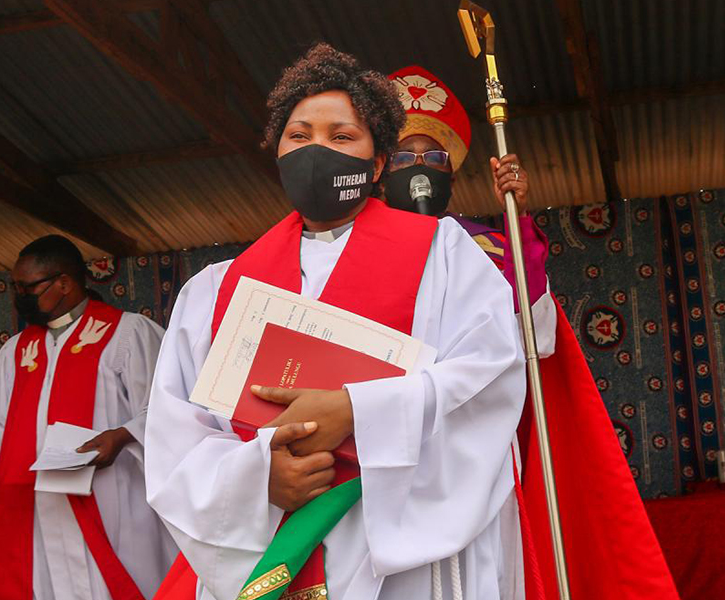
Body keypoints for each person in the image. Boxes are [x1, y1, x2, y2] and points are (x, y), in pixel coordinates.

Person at [145, 43, 527, 600]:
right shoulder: (216, 289)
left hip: (398, 548)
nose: (316, 151)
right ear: (278, 151)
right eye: (298, 136)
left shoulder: (444, 254)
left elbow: (489, 374)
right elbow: (175, 433)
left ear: (378, 164)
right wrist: (257, 478)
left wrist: (357, 411)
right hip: (273, 536)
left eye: (342, 136)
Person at [383, 66, 678, 599]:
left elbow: (534, 337)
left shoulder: (488, 246)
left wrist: (516, 223)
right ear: (381, 173)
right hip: (392, 444)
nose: (420, 168)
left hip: (477, 445)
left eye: (434, 157)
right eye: (405, 157)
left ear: (452, 174)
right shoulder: (359, 249)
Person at [0, 235, 177, 600]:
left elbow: (168, 406)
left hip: (111, 499)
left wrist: (123, 436)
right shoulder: (16, 351)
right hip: (34, 511)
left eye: (27, 287)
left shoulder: (127, 333)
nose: (19, 296)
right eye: (16, 287)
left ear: (64, 283)